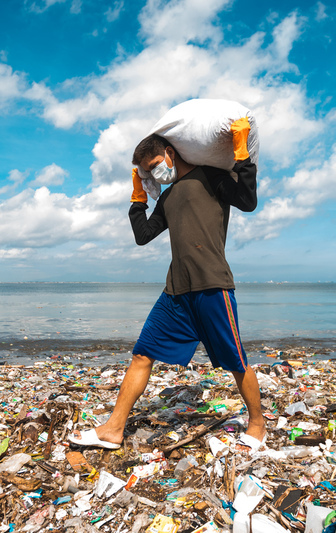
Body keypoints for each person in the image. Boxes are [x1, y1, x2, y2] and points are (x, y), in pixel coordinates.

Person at [69, 121, 267, 453]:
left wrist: (242, 156)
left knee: (236, 359)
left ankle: (258, 424)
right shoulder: (169, 195)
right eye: (148, 172)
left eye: (153, 166)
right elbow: (143, 235)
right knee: (142, 353)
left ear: (169, 153)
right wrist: (137, 198)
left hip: (211, 285)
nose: (154, 173)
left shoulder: (211, 177)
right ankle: (113, 430)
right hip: (175, 290)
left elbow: (247, 201)